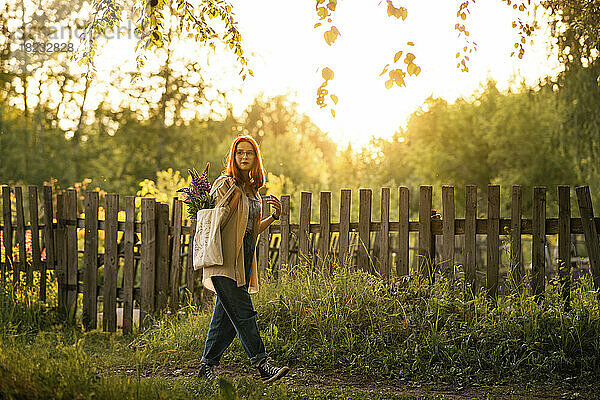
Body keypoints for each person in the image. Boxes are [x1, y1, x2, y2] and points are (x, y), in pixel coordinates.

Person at [197, 135, 289, 383]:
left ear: (255, 158)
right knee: (244, 311)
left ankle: (206, 367)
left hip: (245, 258)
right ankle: (262, 363)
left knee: (226, 318)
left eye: (249, 153)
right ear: (233, 158)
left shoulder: (252, 190)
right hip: (225, 260)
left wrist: (273, 217)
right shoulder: (225, 184)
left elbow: (249, 228)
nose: (244, 157)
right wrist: (220, 199)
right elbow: (216, 219)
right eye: (240, 153)